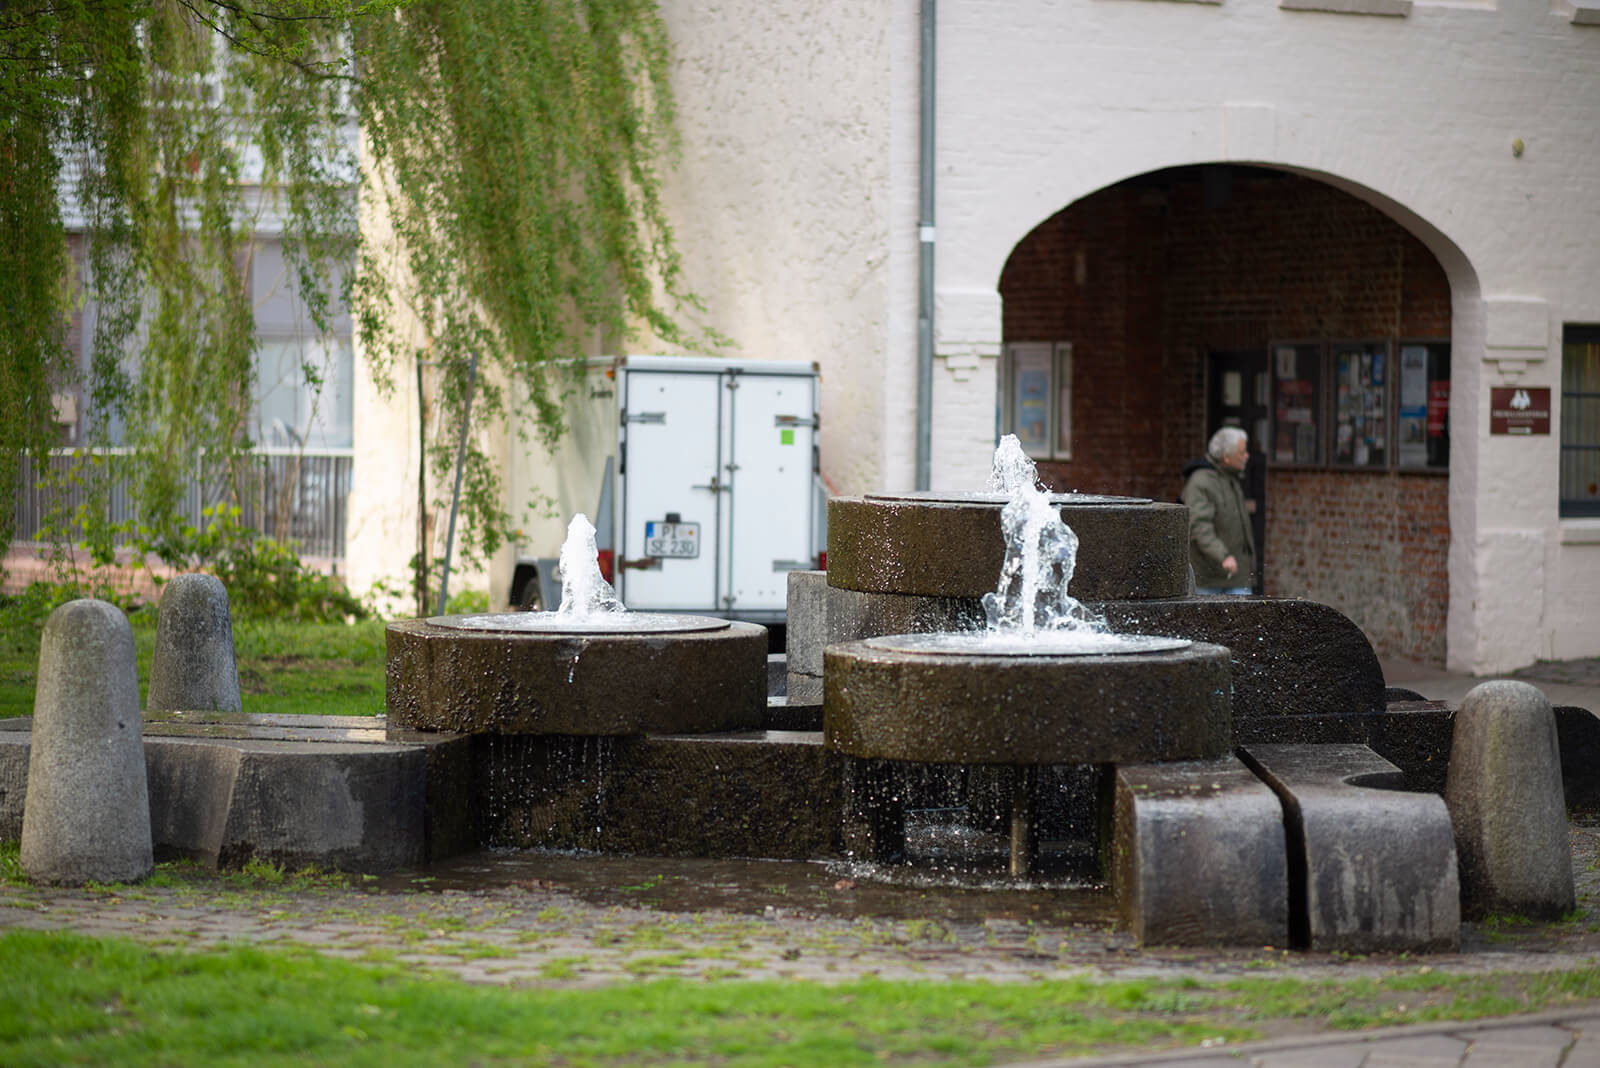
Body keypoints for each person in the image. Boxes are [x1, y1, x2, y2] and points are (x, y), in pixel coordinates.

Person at [1182, 426, 1256, 595]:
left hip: (1236, 576)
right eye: (1241, 453)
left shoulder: (1231, 478)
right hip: (1210, 579)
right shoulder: (1201, 482)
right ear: (1226, 457)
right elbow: (1199, 526)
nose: (1247, 456)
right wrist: (1223, 556)